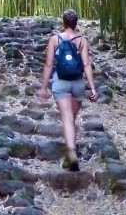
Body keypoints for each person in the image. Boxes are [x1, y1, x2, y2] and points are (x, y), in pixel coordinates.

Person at [39, 9, 98, 171]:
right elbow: (86, 65)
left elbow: (49, 64)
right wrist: (92, 88)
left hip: (60, 82)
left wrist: (44, 87)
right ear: (76, 23)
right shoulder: (82, 41)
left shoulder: (54, 39)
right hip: (78, 83)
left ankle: (71, 152)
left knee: (67, 117)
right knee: (71, 118)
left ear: (63, 23)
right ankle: (69, 153)